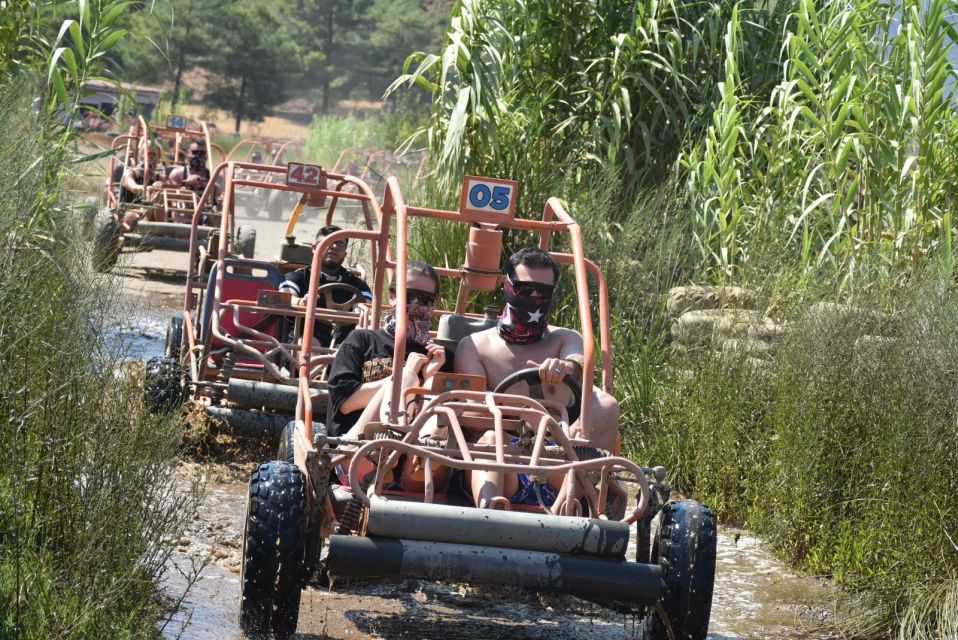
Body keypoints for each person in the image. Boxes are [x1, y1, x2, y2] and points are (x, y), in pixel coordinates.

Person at [454, 247, 620, 508]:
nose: (534, 297)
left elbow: (577, 362)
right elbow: (471, 416)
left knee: (606, 405)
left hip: (557, 462)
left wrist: (564, 368)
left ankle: (567, 513)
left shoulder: (565, 338)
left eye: (543, 292)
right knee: (489, 440)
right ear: (507, 287)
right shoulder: (475, 346)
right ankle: (489, 518)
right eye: (525, 289)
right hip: (500, 459)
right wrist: (523, 414)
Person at [326, 261, 450, 439]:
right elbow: (345, 404)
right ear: (392, 296)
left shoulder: (439, 356)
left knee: (441, 411)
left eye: (424, 299)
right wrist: (403, 378)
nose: (415, 304)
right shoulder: (362, 340)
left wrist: (427, 380)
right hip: (356, 447)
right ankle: (390, 442)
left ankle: (404, 453)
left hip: (413, 455)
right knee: (406, 377)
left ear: (434, 303)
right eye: (408, 296)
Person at [279, 225, 372, 347]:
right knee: (309, 345)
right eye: (327, 242)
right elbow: (286, 296)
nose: (333, 247)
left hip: (344, 342)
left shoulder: (357, 284)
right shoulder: (298, 277)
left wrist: (358, 309)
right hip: (305, 336)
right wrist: (301, 302)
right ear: (314, 248)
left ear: (345, 253)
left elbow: (367, 305)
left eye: (339, 244)